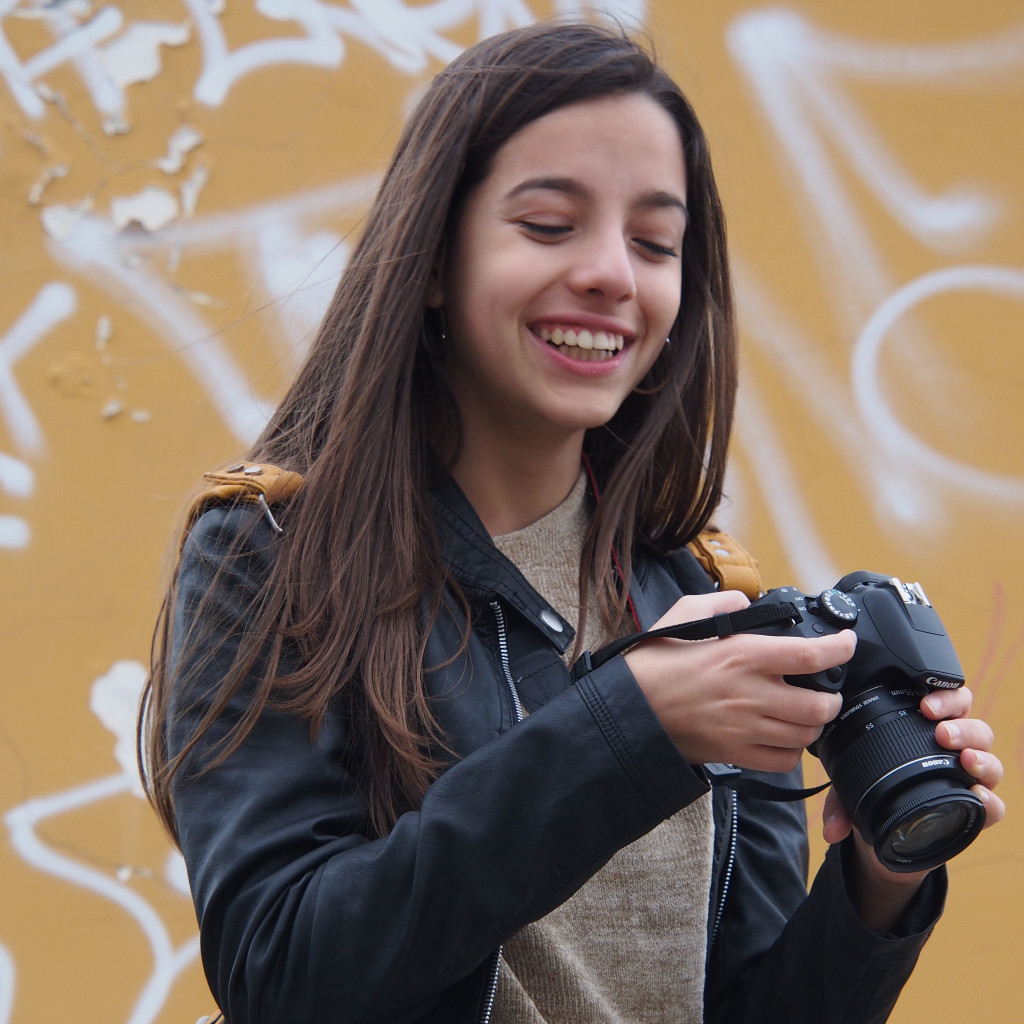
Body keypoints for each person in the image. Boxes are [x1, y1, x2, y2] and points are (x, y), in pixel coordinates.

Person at [140, 20, 1004, 1024]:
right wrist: (631, 724)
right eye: (548, 225)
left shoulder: (701, 596)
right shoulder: (270, 553)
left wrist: (876, 882)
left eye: (654, 242)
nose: (610, 274)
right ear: (430, 259)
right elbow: (284, 968)